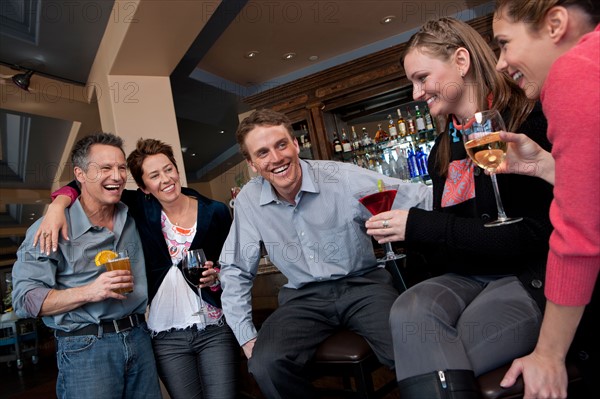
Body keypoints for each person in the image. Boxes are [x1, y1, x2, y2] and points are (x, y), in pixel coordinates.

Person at [363, 17, 555, 397]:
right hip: (468, 277)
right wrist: (404, 239)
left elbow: (533, 236)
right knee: (407, 308)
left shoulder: (527, 123)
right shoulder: (444, 148)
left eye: (422, 78)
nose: (416, 93)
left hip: (527, 275)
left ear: (462, 62)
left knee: (436, 353)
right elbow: (449, 235)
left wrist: (418, 226)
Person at [218, 108, 432, 399]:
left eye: (281, 145)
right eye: (263, 152)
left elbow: (419, 196)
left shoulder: (341, 177)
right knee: (265, 364)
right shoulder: (248, 201)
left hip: (364, 286)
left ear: (295, 144)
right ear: (252, 164)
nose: (276, 158)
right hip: (303, 298)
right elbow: (235, 269)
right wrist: (246, 336)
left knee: (412, 346)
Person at [35, 138, 240, 399]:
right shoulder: (140, 209)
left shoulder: (216, 212)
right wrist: (56, 206)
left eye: (169, 169)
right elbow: (84, 184)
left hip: (213, 326)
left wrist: (216, 276)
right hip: (166, 333)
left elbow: (233, 266)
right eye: (154, 175)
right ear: (143, 187)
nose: (166, 179)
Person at [492, 1, 599, 397]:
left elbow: (580, 232)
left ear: (555, 24)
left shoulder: (573, 70)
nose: (500, 63)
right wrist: (548, 168)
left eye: (504, 43)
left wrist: (549, 354)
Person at [11, 133, 162, 398]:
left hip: (139, 338)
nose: (116, 176)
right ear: (79, 174)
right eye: (105, 168)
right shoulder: (49, 229)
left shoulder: (135, 213)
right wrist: (90, 292)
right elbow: (26, 300)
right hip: (86, 347)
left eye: (120, 168)